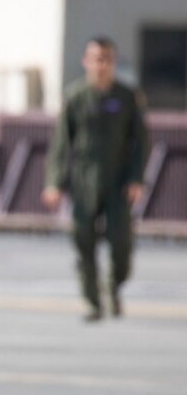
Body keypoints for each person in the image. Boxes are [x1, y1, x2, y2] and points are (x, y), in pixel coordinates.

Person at [43, 36, 149, 321]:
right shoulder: (76, 97)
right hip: (84, 181)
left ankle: (114, 287)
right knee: (83, 239)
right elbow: (61, 143)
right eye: (96, 59)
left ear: (113, 63)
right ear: (86, 62)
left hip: (118, 181)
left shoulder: (126, 97)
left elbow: (141, 141)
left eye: (106, 59)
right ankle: (92, 300)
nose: (101, 65)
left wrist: (137, 178)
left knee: (121, 241)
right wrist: (54, 181)